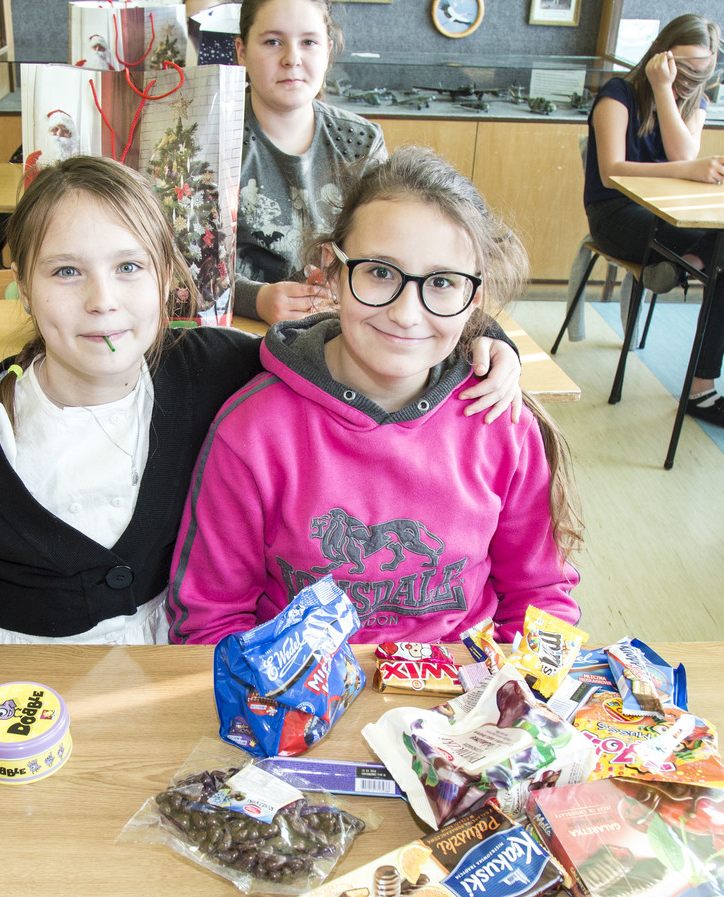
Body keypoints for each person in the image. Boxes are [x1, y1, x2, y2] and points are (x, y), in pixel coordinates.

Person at [0, 155, 523, 694]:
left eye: (129, 268)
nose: (102, 301)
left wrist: (484, 339)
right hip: (1, 682)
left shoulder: (210, 369)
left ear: (167, 280)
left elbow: (358, 339)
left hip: (163, 673)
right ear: (22, 284)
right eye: (66, 272)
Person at [167, 147, 581, 647]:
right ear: (332, 271)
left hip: (465, 683)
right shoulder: (251, 432)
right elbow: (211, 621)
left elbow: (541, 597)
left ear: (473, 297)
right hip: (295, 685)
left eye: (442, 282)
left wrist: (515, 687)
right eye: (380, 272)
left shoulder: (501, 421)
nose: (406, 314)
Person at [584, 14, 724, 432]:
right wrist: (661, 87)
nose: (689, 80)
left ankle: (687, 269)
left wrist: (671, 97)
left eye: (701, 71)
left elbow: (683, 155)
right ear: (660, 55)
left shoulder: (695, 101)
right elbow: (611, 172)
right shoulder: (618, 94)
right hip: (616, 215)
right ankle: (689, 264)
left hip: (668, 217)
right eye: (683, 69)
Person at [233, 0, 387, 325]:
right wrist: (256, 299)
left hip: (340, 326)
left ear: (327, 51)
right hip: (240, 329)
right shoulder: (208, 139)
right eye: (272, 41)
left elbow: (395, 246)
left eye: (308, 42)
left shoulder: (362, 143)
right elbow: (174, 262)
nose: (292, 58)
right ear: (242, 51)